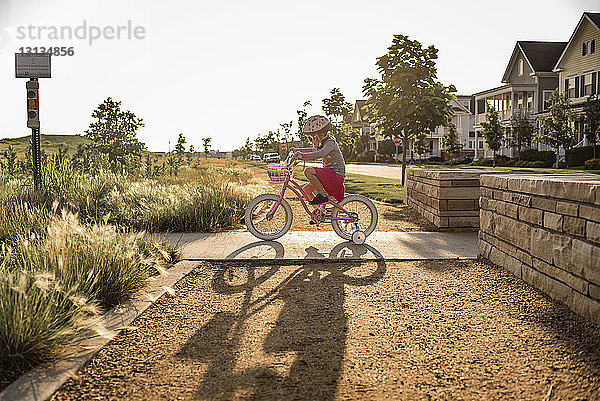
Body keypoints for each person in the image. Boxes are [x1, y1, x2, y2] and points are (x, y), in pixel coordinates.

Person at [290, 115, 346, 206]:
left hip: (336, 175)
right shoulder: (323, 142)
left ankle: (322, 196)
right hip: (329, 174)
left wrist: (302, 156)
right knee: (306, 191)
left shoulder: (330, 142)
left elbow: (321, 153)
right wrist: (297, 150)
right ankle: (318, 212)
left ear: (320, 134)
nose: (311, 140)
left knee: (308, 171)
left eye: (311, 137)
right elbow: (313, 150)